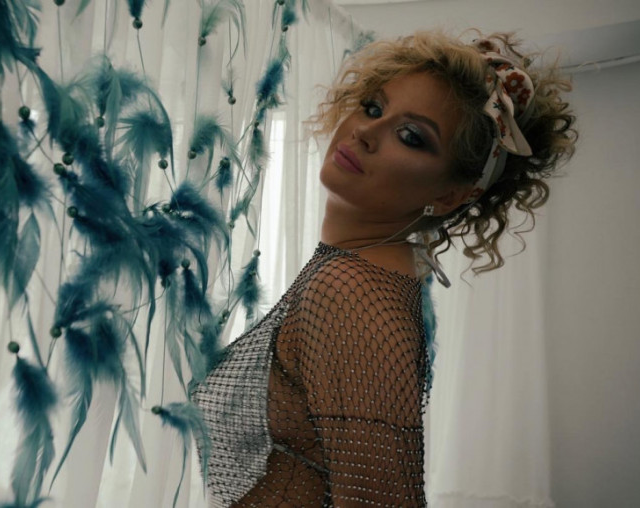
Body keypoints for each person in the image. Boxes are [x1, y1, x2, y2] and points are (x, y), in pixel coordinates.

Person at [191, 30, 577, 507]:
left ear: (449, 195)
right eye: (373, 108)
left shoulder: (351, 289)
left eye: (411, 136)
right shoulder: (365, 273)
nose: (365, 132)